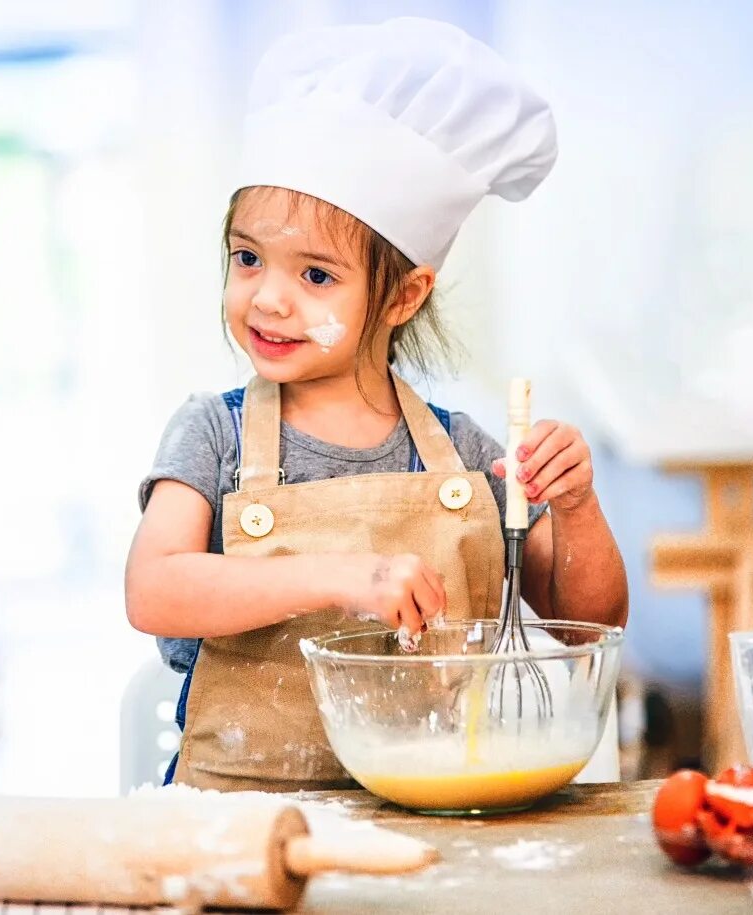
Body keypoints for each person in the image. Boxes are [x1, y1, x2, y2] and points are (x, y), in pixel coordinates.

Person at [125, 17, 627, 792]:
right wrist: (342, 576)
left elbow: (580, 622)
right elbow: (154, 590)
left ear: (402, 294)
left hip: (434, 812)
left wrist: (580, 507)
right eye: (248, 258)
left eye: (316, 276)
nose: (269, 298)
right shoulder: (212, 434)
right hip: (237, 815)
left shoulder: (464, 455)